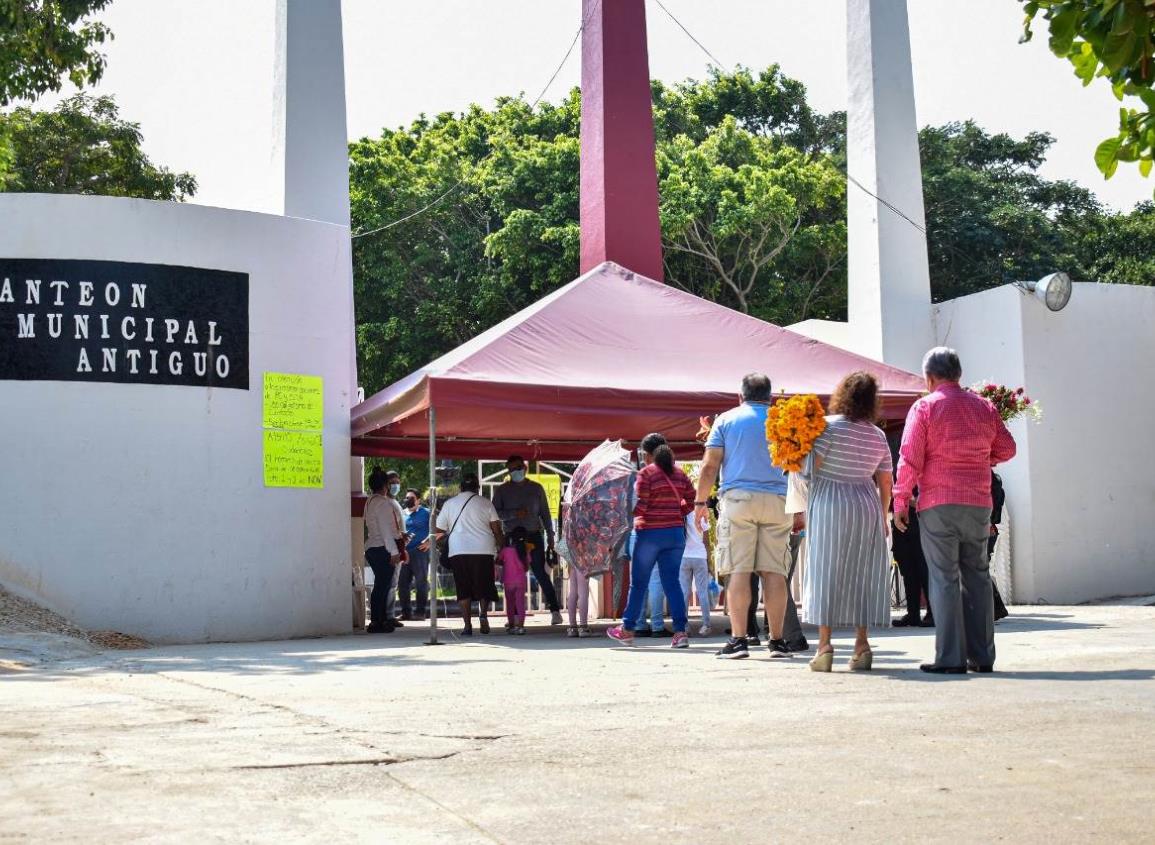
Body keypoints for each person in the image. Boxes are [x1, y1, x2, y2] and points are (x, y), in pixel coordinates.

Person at [894, 347, 1017, 674]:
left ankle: (950, 658)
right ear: (959, 374)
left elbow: (909, 458)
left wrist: (900, 500)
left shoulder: (924, 407)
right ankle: (983, 657)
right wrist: (984, 458)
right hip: (978, 502)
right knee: (976, 576)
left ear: (929, 377)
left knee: (944, 578)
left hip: (938, 501)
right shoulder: (984, 407)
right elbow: (1008, 448)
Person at [695, 373, 794, 660]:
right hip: (778, 500)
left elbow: (710, 465)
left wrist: (700, 500)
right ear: (770, 397)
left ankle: (739, 640)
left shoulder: (725, 420)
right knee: (775, 572)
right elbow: (797, 467)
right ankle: (777, 641)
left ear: (740, 396)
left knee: (738, 570)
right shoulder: (783, 420)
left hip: (739, 500)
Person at [801, 372, 894, 672]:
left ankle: (825, 646)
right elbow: (886, 480)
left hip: (830, 501)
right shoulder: (877, 435)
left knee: (825, 570)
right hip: (866, 503)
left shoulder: (827, 429)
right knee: (862, 574)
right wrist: (883, 516)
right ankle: (862, 645)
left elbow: (809, 471)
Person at [607, 433, 695, 648]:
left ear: (646, 454)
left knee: (639, 584)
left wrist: (627, 511)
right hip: (675, 534)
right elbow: (691, 500)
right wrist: (676, 511)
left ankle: (627, 629)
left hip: (649, 535)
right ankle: (680, 633)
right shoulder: (680, 474)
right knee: (671, 583)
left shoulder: (646, 474)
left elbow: (642, 506)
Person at [492, 456, 563, 625]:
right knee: (512, 578)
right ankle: (514, 616)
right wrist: (514, 514)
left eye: (517, 468)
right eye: (511, 470)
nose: (515, 472)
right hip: (512, 537)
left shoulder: (536, 488)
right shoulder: (502, 490)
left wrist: (551, 537)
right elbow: (494, 514)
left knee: (540, 574)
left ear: (524, 467)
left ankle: (554, 610)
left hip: (533, 535)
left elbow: (545, 514)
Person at [434, 473, 504, 636]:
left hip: (459, 550)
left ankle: (467, 626)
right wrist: (502, 546)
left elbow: (439, 531)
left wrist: (436, 544)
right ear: (477, 488)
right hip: (484, 550)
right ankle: (483, 615)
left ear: (460, 488)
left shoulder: (449, 504)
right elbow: (496, 529)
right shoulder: (486, 503)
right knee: (484, 585)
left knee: (463, 587)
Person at [887, 430, 932, 628]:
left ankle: (933, 613)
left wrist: (912, 501)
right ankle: (912, 613)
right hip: (902, 522)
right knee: (907, 569)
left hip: (921, 521)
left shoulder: (926, 460)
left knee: (924, 570)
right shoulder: (897, 459)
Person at [364, 468, 406, 633]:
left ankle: (380, 620)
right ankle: (377, 621)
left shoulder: (371, 501)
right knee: (382, 585)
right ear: (386, 485)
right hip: (382, 548)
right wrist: (394, 551)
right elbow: (386, 530)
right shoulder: (383, 503)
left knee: (381, 585)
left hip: (374, 547)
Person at [399, 488, 430, 621]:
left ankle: (420, 612)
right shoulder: (402, 513)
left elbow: (438, 529)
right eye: (406, 498)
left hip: (420, 553)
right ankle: (406, 612)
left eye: (411, 498)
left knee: (421, 583)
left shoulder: (426, 513)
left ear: (418, 500)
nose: (408, 500)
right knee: (402, 584)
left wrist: (429, 542)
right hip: (404, 553)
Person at [680, 512, 712, 635]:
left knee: (684, 592)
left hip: (684, 556)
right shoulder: (701, 514)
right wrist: (709, 560)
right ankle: (706, 625)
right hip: (700, 556)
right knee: (702, 592)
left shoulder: (683, 514)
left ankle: (684, 626)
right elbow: (706, 540)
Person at [497, 527, 530, 635]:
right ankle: (520, 626)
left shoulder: (506, 551)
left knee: (510, 604)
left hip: (508, 581)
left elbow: (498, 560)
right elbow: (527, 567)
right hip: (520, 581)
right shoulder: (524, 550)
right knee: (520, 604)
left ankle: (511, 625)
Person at [565, 562, 592, 638]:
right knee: (583, 592)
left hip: (571, 559)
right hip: (583, 559)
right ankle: (583, 627)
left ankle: (572, 627)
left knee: (573, 592)